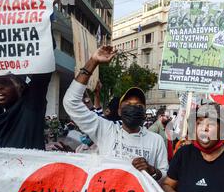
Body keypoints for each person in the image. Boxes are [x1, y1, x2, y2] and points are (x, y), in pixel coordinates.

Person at [63, 46, 168, 181]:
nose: (133, 107)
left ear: (144, 112)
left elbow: (164, 177)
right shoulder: (106, 130)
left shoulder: (156, 140)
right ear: (119, 111)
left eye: (138, 105)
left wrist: (152, 170)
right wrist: (93, 62)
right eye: (128, 104)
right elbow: (71, 102)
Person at [0, 0, 61, 149]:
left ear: (20, 87)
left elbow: (43, 54)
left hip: (28, 174)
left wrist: (45, 14)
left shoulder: (31, 105)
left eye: (4, 84)